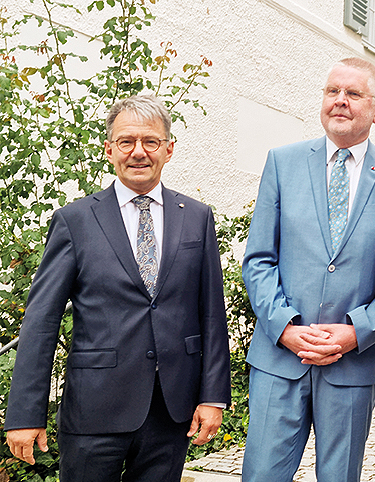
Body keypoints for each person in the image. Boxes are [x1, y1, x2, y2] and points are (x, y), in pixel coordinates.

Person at [4, 95, 231, 481]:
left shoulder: (197, 217)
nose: (138, 152)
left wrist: (213, 396)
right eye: (126, 142)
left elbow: (211, 312)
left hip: (170, 409)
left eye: (150, 141)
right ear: (110, 150)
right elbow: (41, 321)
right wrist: (25, 413)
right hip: (95, 410)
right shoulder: (74, 221)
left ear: (169, 149)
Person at [240, 57, 375, 482]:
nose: (340, 101)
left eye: (353, 94)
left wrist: (358, 331)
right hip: (280, 357)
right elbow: (259, 259)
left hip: (353, 363)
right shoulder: (282, 162)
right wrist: (285, 327)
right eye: (333, 91)